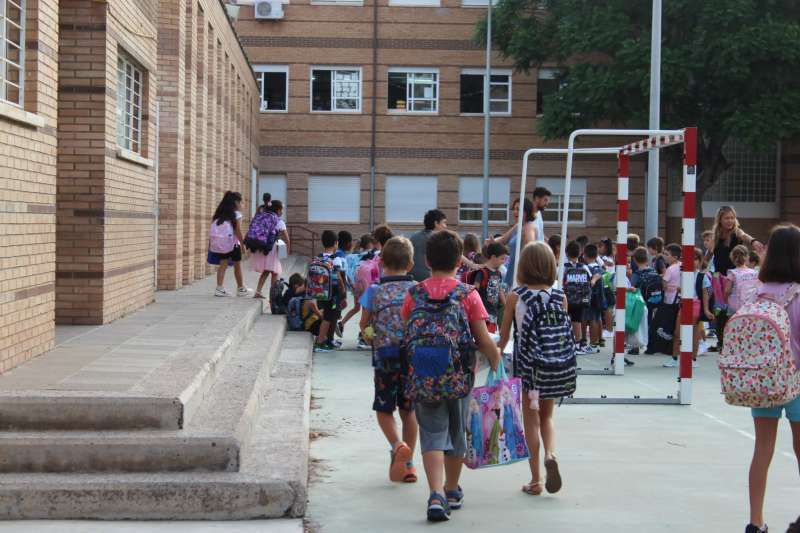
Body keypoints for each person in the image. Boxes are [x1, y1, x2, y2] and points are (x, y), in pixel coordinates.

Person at [400, 230, 501, 522]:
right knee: (457, 433)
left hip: (423, 376)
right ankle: (452, 488)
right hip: (459, 378)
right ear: (460, 261)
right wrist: (497, 363)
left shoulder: (414, 293)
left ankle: (435, 493)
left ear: (427, 260)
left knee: (431, 434)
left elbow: (408, 331)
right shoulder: (468, 295)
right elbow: (483, 339)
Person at [497, 241, 576, 498]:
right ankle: (551, 454)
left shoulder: (515, 297)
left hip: (528, 367)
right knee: (547, 418)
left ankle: (535, 479)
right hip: (555, 366)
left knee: (530, 420)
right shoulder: (560, 296)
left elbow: (504, 337)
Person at [744, 224, 800, 533]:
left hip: (763, 381)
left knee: (762, 450)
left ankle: (755, 522)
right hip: (796, 383)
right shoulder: (799, 293)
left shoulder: (758, 291)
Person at [358, 237, 419, 484]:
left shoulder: (374, 290)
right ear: (411, 263)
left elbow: (364, 326)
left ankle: (397, 445)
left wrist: (370, 334)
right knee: (409, 411)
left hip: (385, 357)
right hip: (412, 359)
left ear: (381, 262)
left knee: (384, 409)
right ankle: (409, 465)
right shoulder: (417, 290)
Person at [711, 206, 761, 350]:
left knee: (733, 310)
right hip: (719, 277)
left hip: (734, 276)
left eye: (732, 218)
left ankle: (736, 339)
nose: (730, 221)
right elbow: (710, 253)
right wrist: (703, 266)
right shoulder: (716, 234)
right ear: (720, 219)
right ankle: (721, 340)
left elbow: (746, 236)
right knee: (720, 310)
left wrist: (753, 242)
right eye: (726, 218)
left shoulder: (736, 232)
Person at [209, 191, 250, 297]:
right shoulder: (237, 214)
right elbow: (238, 231)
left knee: (223, 264)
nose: (243, 205)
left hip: (223, 244)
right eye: (242, 202)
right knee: (237, 265)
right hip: (233, 243)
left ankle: (219, 288)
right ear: (236, 203)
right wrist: (242, 244)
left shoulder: (220, 214)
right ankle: (240, 288)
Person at [312, 230, 347, 353]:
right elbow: (338, 276)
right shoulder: (335, 258)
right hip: (333, 293)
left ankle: (325, 339)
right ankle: (320, 342)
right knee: (328, 317)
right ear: (336, 243)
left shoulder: (318, 257)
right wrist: (343, 290)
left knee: (327, 316)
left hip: (320, 292)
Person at [465, 242, 508, 334]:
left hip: (493, 313)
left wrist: (506, 306)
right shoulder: (482, 272)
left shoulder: (498, 273)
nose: (503, 261)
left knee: (491, 336)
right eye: (502, 258)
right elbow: (475, 289)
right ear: (493, 257)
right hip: (482, 313)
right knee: (483, 338)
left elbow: (499, 289)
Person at [562, 240, 597, 354]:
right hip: (580, 299)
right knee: (577, 321)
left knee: (565, 321)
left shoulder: (563, 267)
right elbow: (590, 282)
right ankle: (578, 344)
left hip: (566, 299)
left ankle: (566, 344)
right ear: (580, 253)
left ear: (566, 253)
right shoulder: (584, 267)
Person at [251, 200, 290, 301]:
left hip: (265, 247)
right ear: (278, 210)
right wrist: (288, 249)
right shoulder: (279, 222)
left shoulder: (265, 218)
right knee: (272, 271)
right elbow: (287, 238)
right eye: (281, 209)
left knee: (270, 271)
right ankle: (272, 295)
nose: (282, 212)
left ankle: (260, 292)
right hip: (272, 249)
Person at [494, 197, 537, 287]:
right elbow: (503, 240)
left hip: (522, 273)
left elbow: (531, 248)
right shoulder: (518, 226)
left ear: (527, 211)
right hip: (513, 269)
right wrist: (491, 241)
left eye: (518, 209)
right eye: (514, 209)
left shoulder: (529, 227)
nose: (515, 212)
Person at [630, 246, 664, 356]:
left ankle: (636, 347)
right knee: (650, 322)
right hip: (654, 301)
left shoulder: (636, 274)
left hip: (640, 302)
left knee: (637, 324)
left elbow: (633, 288)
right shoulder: (653, 271)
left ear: (634, 259)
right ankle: (650, 345)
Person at [409, 209, 447, 282]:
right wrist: (471, 264)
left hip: (411, 276)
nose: (445, 226)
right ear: (436, 223)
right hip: (428, 278)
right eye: (444, 223)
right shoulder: (437, 238)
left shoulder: (413, 236)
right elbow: (455, 251)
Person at [661, 243, 683, 367]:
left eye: (667, 254)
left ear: (675, 257)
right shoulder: (682, 267)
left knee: (674, 330)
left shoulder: (670, 269)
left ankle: (674, 356)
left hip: (671, 301)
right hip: (681, 300)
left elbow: (664, 284)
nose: (665, 257)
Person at [583, 244, 606, 352]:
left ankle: (591, 344)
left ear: (584, 255)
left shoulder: (586, 268)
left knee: (591, 319)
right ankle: (596, 342)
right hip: (600, 297)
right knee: (597, 318)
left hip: (590, 297)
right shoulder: (599, 268)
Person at [726, 245, 760, 315]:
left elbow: (727, 290)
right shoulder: (755, 272)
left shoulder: (732, 273)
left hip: (735, 307)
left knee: (733, 324)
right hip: (751, 306)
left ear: (732, 257)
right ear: (747, 257)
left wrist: (726, 299)